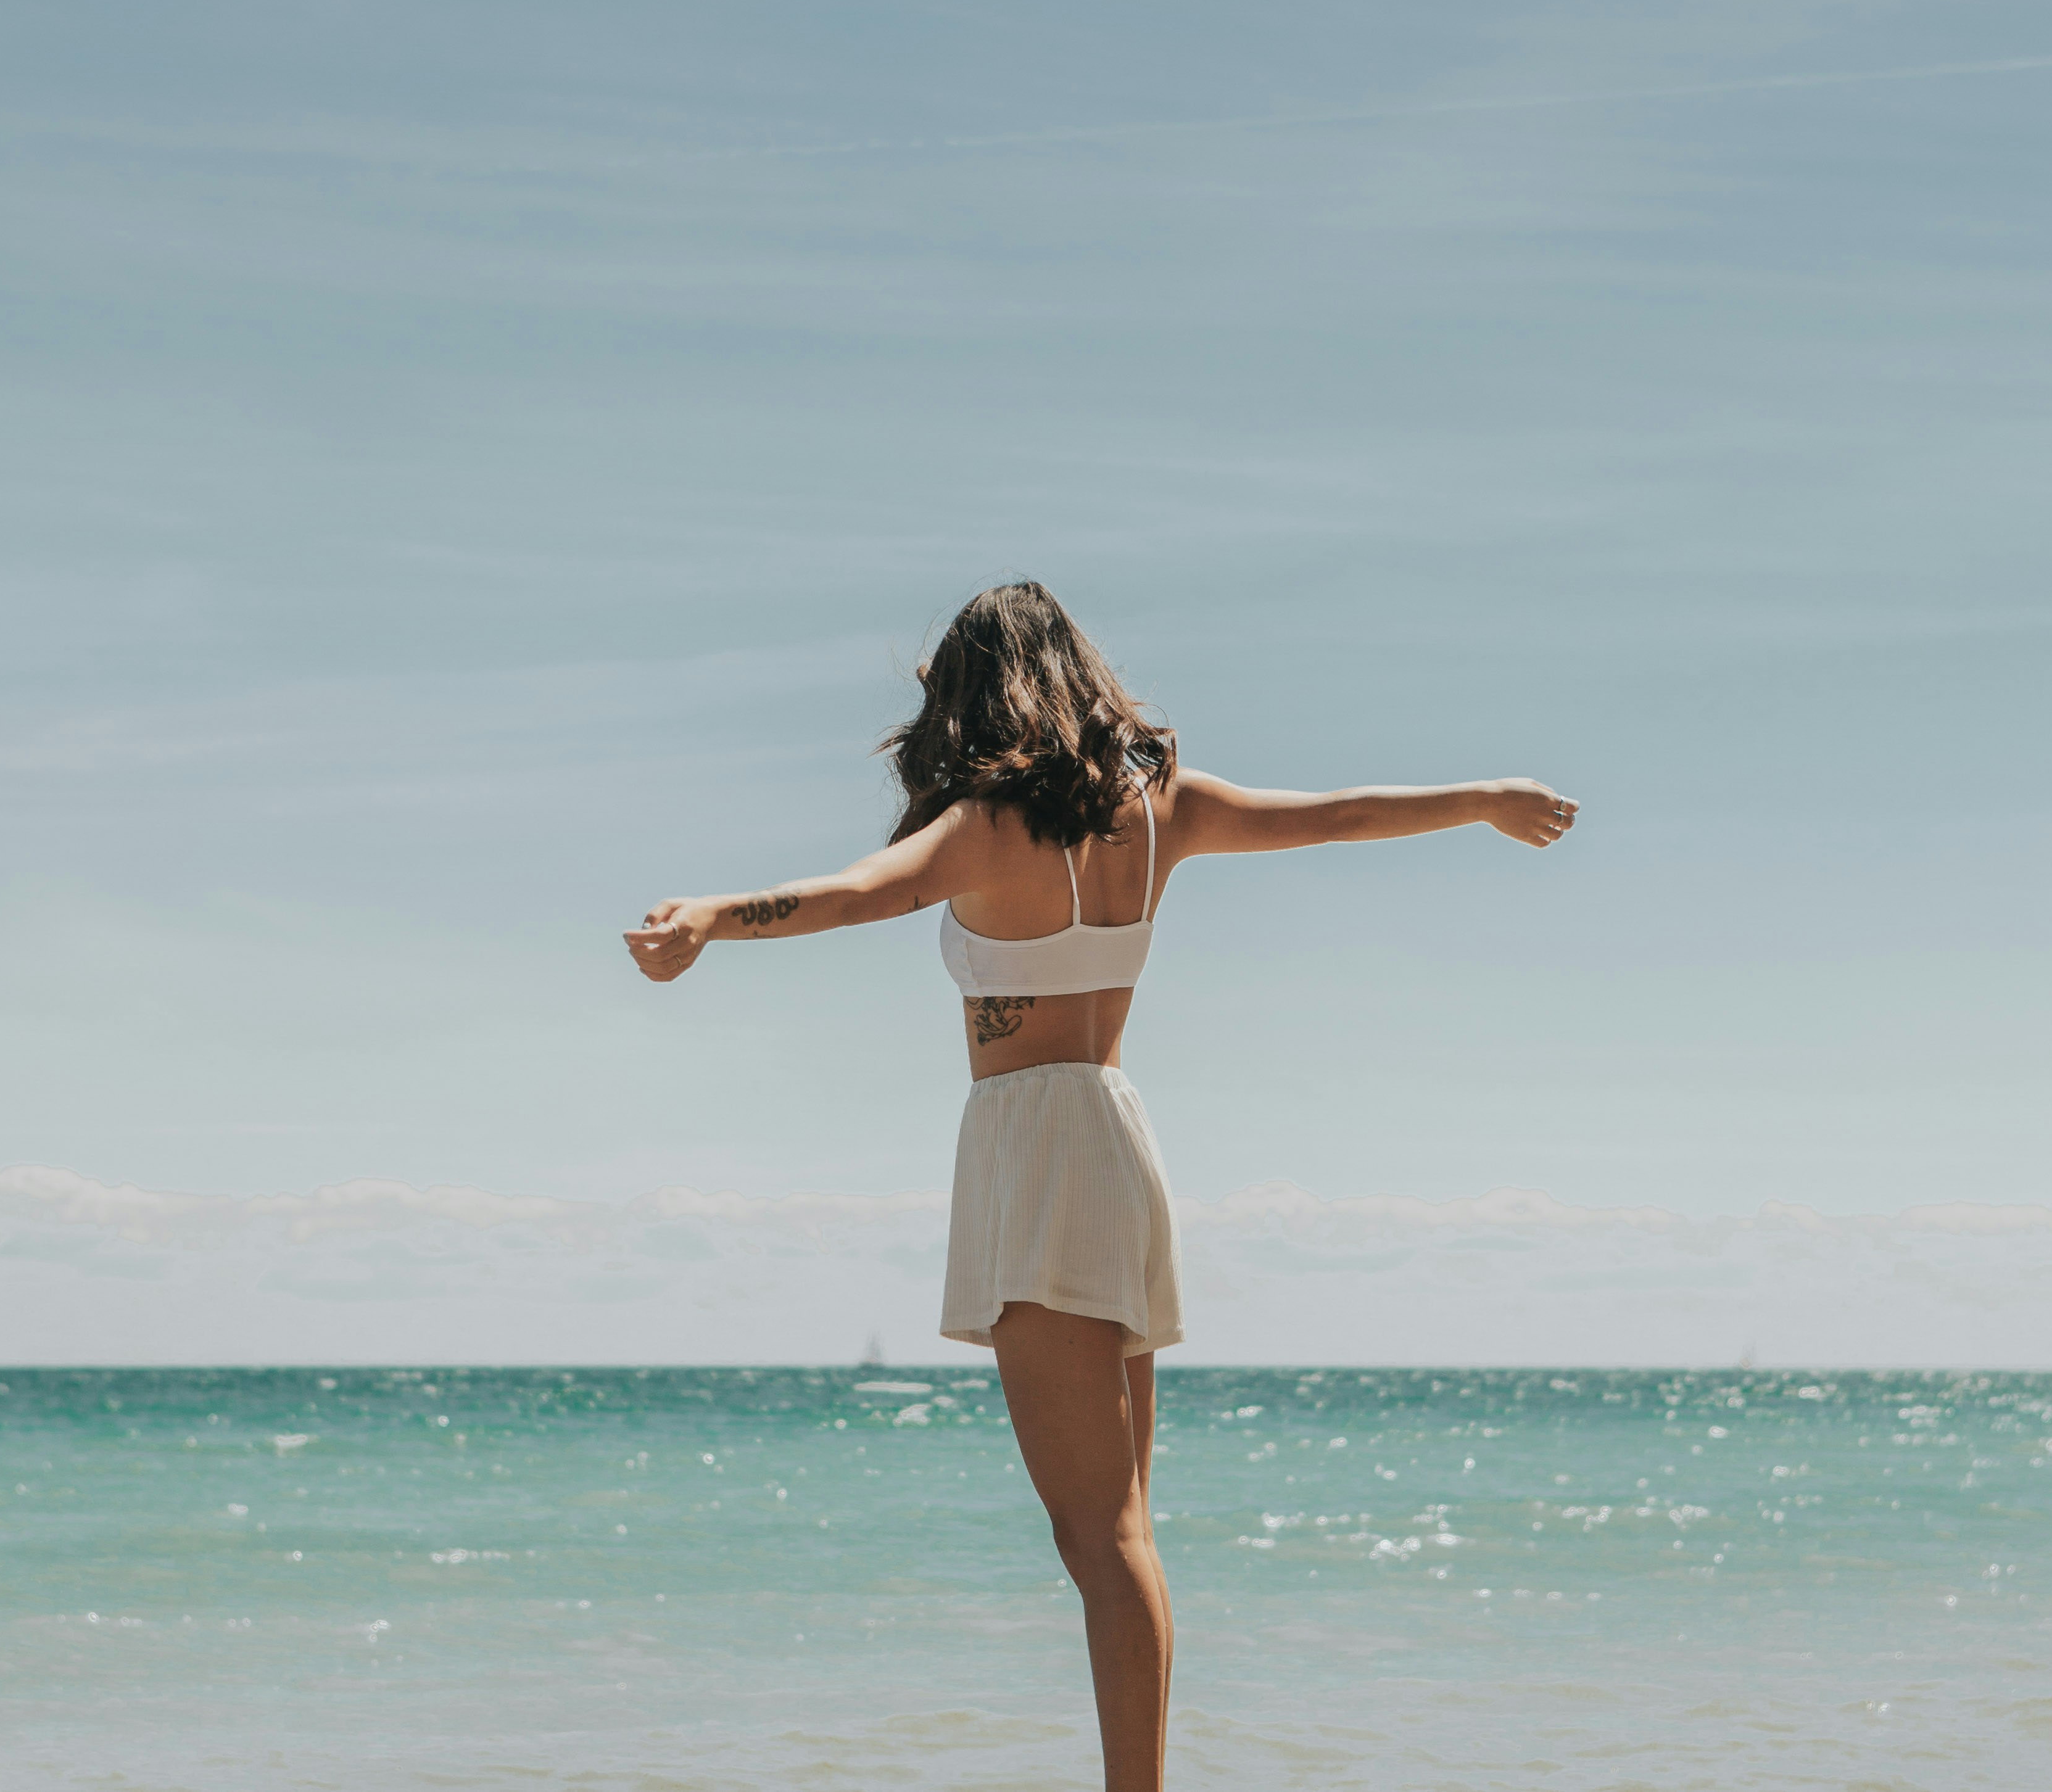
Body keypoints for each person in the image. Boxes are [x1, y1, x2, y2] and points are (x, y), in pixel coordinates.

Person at [624, 581, 1576, 1792]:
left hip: (1035, 1147)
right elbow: (1337, 812)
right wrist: (1487, 798)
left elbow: (858, 891)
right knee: (1123, 1526)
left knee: (1099, 1533)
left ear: (972, 689)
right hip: (1119, 1134)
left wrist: (711, 914)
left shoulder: (982, 822)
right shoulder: (1158, 808)